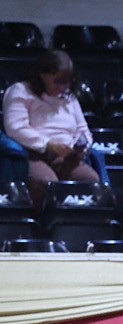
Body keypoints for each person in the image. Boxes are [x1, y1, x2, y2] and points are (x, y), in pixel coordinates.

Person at [2, 49, 97, 207]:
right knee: (47, 183)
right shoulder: (20, 91)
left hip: (66, 155)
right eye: (57, 81)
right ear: (42, 75)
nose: (63, 87)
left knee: (90, 180)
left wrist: (83, 146)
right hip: (33, 153)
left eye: (67, 82)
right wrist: (49, 144)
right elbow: (15, 127)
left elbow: (83, 129)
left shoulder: (69, 97)